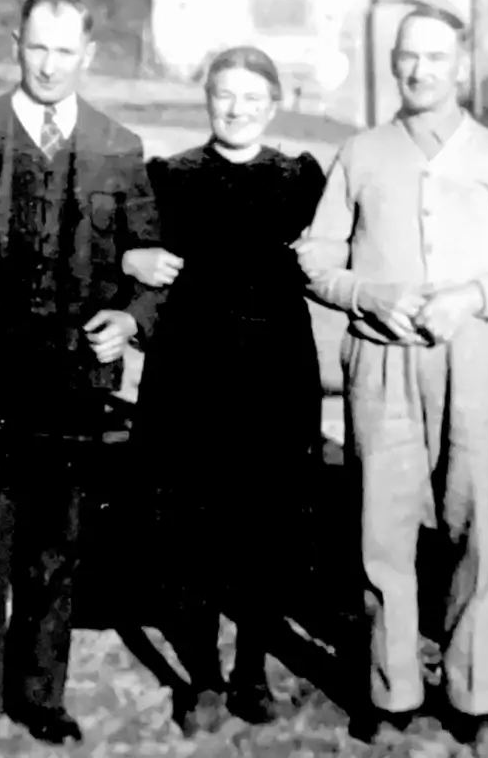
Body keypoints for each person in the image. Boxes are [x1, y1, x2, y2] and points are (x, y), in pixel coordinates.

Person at [0, 0, 166, 758]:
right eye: (36, 49)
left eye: (64, 51)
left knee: (56, 550)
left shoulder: (119, 145)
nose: (49, 66)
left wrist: (134, 318)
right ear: (17, 44)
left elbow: (149, 264)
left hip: (75, 385)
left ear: (88, 55)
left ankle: (39, 694)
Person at [293, 5, 488, 750]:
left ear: (461, 65)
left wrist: (473, 299)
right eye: (407, 57)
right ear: (392, 64)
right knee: (380, 524)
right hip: (379, 357)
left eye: (435, 58)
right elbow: (315, 257)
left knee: (474, 522)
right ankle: (391, 692)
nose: (419, 71)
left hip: (472, 355)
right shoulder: (361, 152)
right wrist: (369, 295)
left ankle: (472, 695)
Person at [119, 46, 327, 735]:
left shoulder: (300, 178)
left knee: (265, 527)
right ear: (206, 100)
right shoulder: (169, 176)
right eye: (223, 95)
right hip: (188, 375)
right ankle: (203, 678)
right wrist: (128, 258)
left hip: (274, 377)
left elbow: (341, 249)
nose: (236, 109)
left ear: (273, 104)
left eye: (250, 96)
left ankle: (251, 671)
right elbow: (122, 249)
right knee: (189, 530)